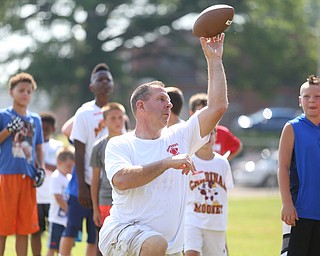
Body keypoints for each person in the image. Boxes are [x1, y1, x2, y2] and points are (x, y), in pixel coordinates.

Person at [99, 33, 228, 256]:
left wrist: (214, 59)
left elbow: (217, 107)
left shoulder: (180, 135)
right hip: (123, 232)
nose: (168, 105)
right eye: (161, 100)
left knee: (160, 245)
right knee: (155, 243)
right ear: (141, 106)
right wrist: (167, 163)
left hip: (170, 248)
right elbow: (121, 180)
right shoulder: (121, 144)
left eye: (169, 102)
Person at [59, 63, 115, 256]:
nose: (104, 83)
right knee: (73, 228)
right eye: (100, 80)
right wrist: (83, 186)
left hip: (109, 185)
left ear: (112, 85)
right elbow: (80, 151)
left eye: (108, 79)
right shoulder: (84, 112)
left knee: (100, 234)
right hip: (86, 183)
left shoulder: (117, 113)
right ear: (92, 86)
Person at [0, 72, 45, 256]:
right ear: (11, 92)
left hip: (28, 177)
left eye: (28, 91)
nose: (25, 94)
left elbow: (39, 148)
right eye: (21, 90)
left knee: (24, 229)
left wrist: (41, 168)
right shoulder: (3, 115)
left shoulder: (36, 119)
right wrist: (8, 129)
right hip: (7, 175)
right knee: (2, 227)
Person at [278, 75, 320, 255]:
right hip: (299, 213)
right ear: (299, 101)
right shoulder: (292, 128)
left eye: (317, 96)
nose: (312, 101)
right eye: (306, 96)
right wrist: (287, 203)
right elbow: (283, 167)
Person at [184, 127, 234, 256]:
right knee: (191, 253)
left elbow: (226, 189)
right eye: (204, 134)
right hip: (192, 219)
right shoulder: (189, 161)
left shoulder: (222, 163)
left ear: (216, 136)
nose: (207, 137)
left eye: (211, 133)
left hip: (216, 223)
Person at [90, 102, 127, 256]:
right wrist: (95, 208)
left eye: (120, 117)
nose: (117, 121)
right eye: (113, 118)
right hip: (105, 201)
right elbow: (95, 179)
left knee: (126, 244)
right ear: (104, 122)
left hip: (127, 201)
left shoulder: (132, 142)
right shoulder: (99, 147)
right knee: (104, 245)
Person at [31, 112, 64, 256]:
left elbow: (63, 167)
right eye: (41, 127)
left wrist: (43, 165)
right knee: (36, 232)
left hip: (54, 197)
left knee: (56, 233)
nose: (43, 131)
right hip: (36, 197)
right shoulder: (31, 146)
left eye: (47, 128)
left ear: (53, 129)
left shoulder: (58, 146)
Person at [189, 93, 243, 160]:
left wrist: (223, 161)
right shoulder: (187, 132)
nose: (204, 116)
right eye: (200, 113)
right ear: (191, 113)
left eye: (206, 113)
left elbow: (237, 146)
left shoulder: (222, 132)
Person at [47, 146, 74, 256]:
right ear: (59, 162)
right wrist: (69, 211)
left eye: (72, 166)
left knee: (65, 248)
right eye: (68, 166)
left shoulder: (69, 178)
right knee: (52, 248)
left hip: (66, 221)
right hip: (57, 220)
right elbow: (58, 197)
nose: (70, 168)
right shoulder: (56, 177)